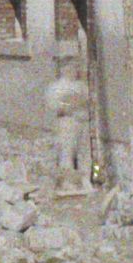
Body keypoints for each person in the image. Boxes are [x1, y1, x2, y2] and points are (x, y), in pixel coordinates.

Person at [43, 54, 93, 193]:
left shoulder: (80, 85)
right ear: (64, 69)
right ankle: (67, 183)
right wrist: (68, 103)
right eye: (71, 67)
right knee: (67, 152)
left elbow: (87, 101)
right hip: (67, 121)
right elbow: (53, 104)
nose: (75, 70)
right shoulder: (57, 86)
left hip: (82, 121)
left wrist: (81, 104)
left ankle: (86, 180)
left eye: (76, 67)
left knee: (84, 153)